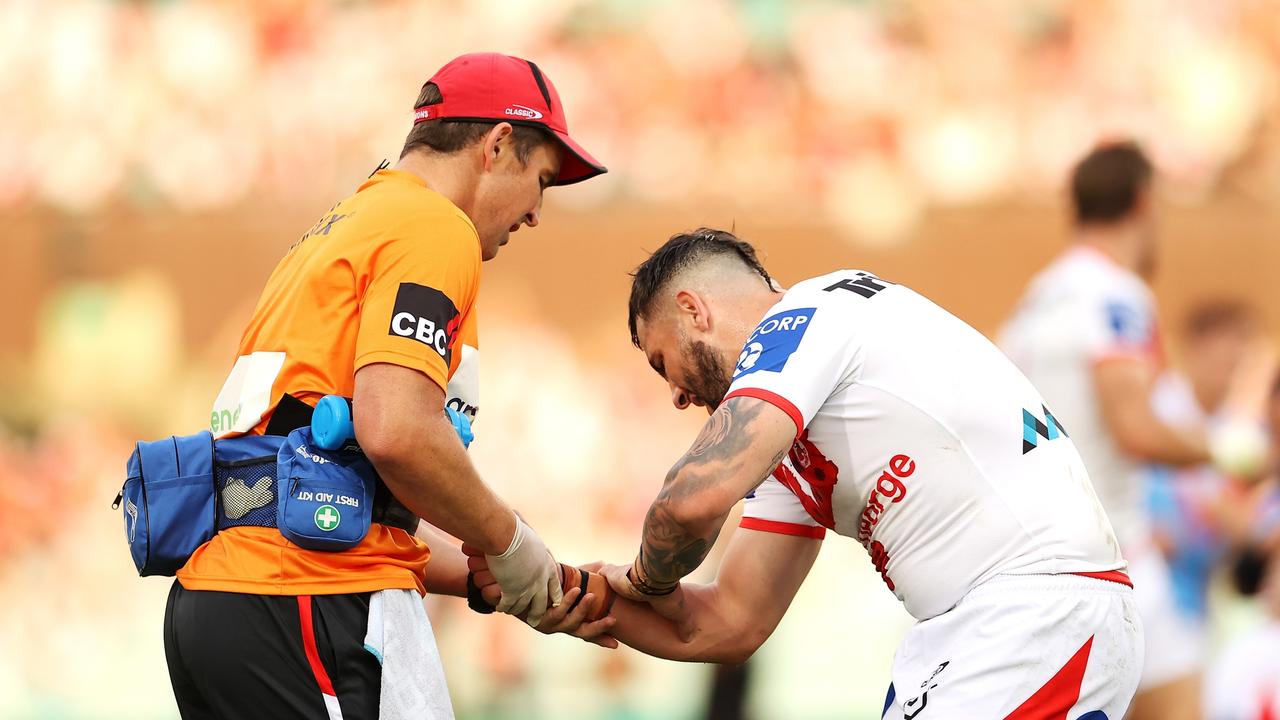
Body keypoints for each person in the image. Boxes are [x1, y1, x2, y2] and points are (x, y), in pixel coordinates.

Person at [474, 228, 1144, 718]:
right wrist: (558, 594)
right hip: (1000, 627)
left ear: (693, 310)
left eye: (662, 362)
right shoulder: (789, 439)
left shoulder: (809, 314)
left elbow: (692, 503)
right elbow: (729, 623)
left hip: (1030, 616)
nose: (675, 395)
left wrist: (644, 579)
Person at [164, 52, 606, 719]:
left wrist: (496, 581)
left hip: (225, 602)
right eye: (542, 180)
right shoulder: (434, 227)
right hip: (309, 601)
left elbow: (311, 486)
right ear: (498, 145)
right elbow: (396, 431)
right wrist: (514, 544)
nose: (537, 213)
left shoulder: (336, 232)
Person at [999, 142, 1262, 720]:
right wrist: (1232, 453)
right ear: (1144, 202)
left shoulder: (1035, 300)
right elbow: (1136, 431)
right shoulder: (1117, 295)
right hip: (1115, 558)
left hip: (1039, 559)